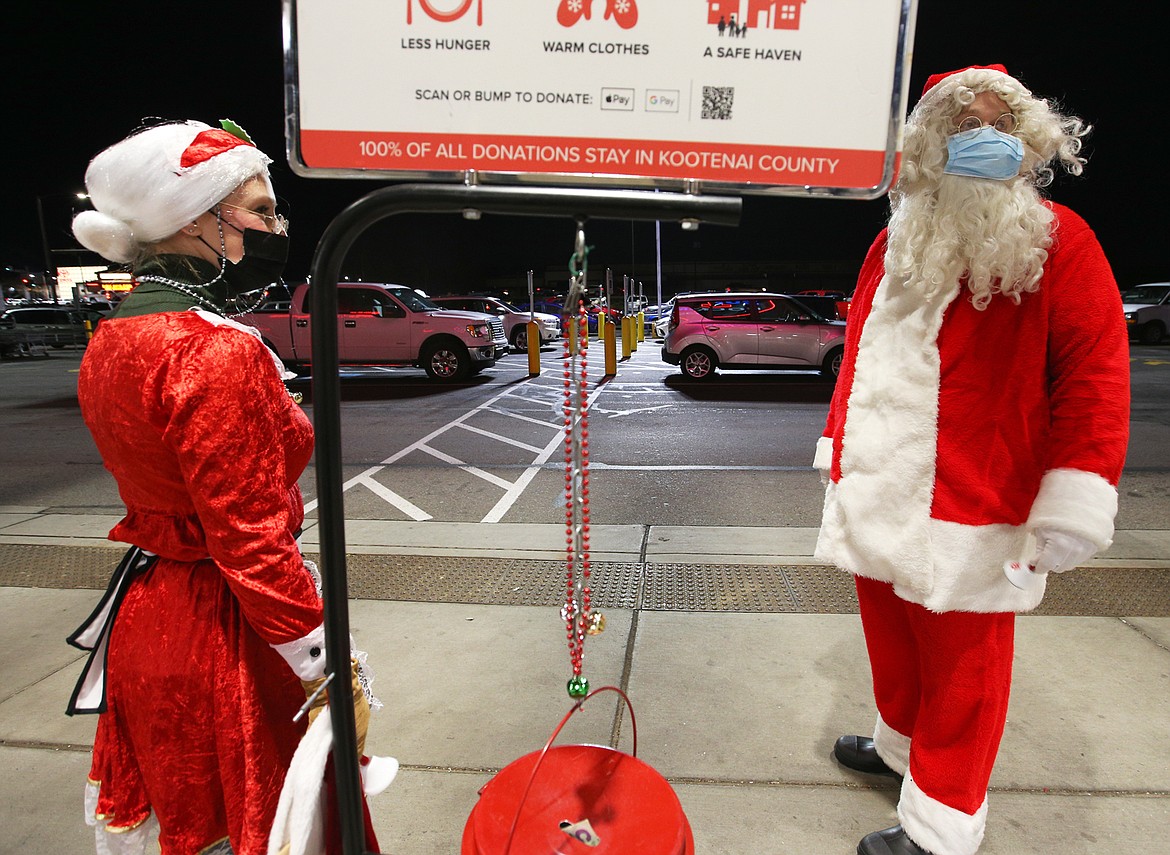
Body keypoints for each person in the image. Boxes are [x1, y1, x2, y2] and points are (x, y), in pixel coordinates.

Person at [814, 65, 1130, 855]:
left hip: (978, 497)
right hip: (883, 484)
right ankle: (901, 751)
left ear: (1028, 143)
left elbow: (1094, 372)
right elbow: (857, 351)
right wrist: (838, 449)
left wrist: (1076, 494)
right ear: (929, 143)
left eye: (997, 125)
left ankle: (942, 822)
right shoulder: (893, 239)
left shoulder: (1063, 242)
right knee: (894, 642)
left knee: (964, 669)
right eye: (962, 127)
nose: (981, 140)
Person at [67, 119, 382, 854]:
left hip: (151, 617)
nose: (275, 228)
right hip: (228, 635)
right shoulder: (213, 351)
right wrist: (323, 662)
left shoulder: (113, 337)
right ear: (196, 217)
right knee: (269, 821)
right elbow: (247, 536)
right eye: (259, 211)